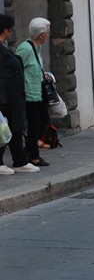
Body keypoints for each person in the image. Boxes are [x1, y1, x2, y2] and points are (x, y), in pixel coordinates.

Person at [0, 14, 39, 175]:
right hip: (3, 97)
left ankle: (20, 160)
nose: (11, 33)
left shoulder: (4, 47)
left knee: (14, 128)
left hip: (11, 97)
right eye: (10, 29)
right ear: (5, 30)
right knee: (3, 129)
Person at [16, 17, 51, 167]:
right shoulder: (25, 48)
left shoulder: (37, 47)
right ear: (41, 34)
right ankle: (33, 155)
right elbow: (16, 67)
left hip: (38, 91)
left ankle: (29, 149)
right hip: (30, 93)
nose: (48, 35)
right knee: (34, 124)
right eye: (47, 32)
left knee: (42, 120)